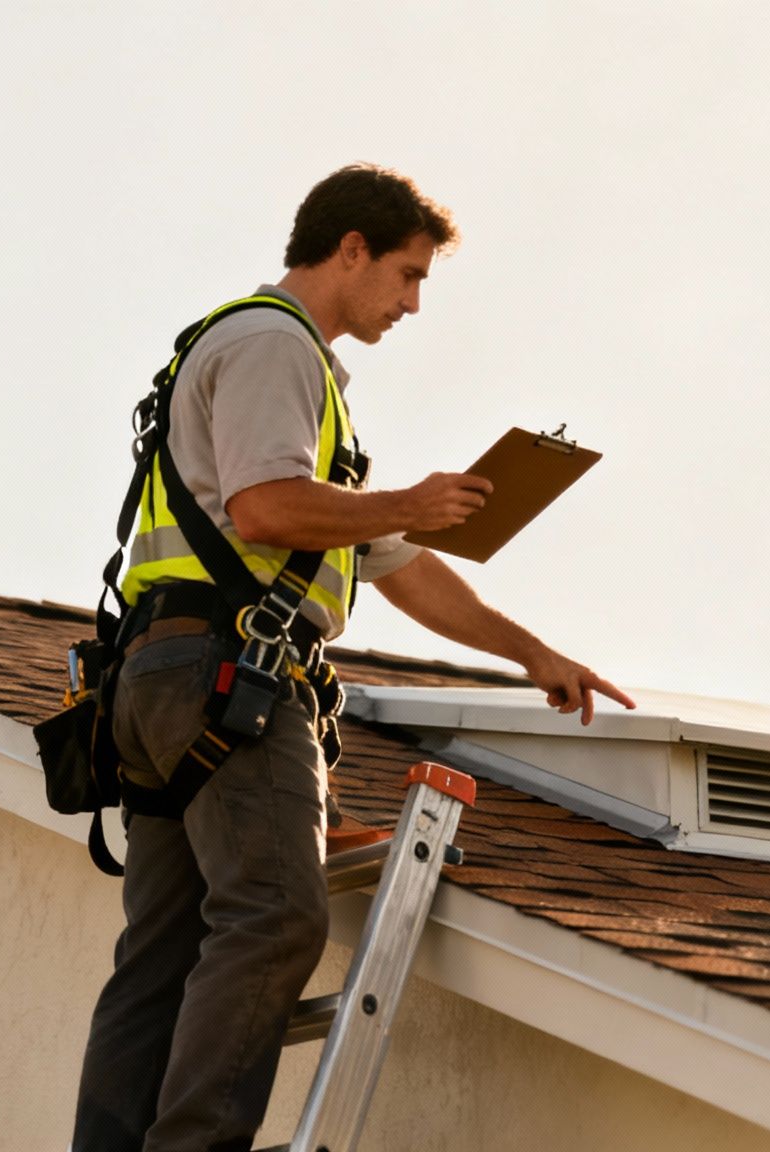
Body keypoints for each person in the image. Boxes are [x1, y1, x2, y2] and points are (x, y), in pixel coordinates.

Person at [70, 164, 634, 1152]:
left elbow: (397, 567)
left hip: (165, 682)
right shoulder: (270, 344)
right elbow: (265, 507)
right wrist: (406, 501)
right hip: (228, 680)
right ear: (350, 249)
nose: (412, 303)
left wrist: (528, 651)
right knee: (276, 917)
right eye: (407, 276)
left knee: (161, 955)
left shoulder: (288, 383)